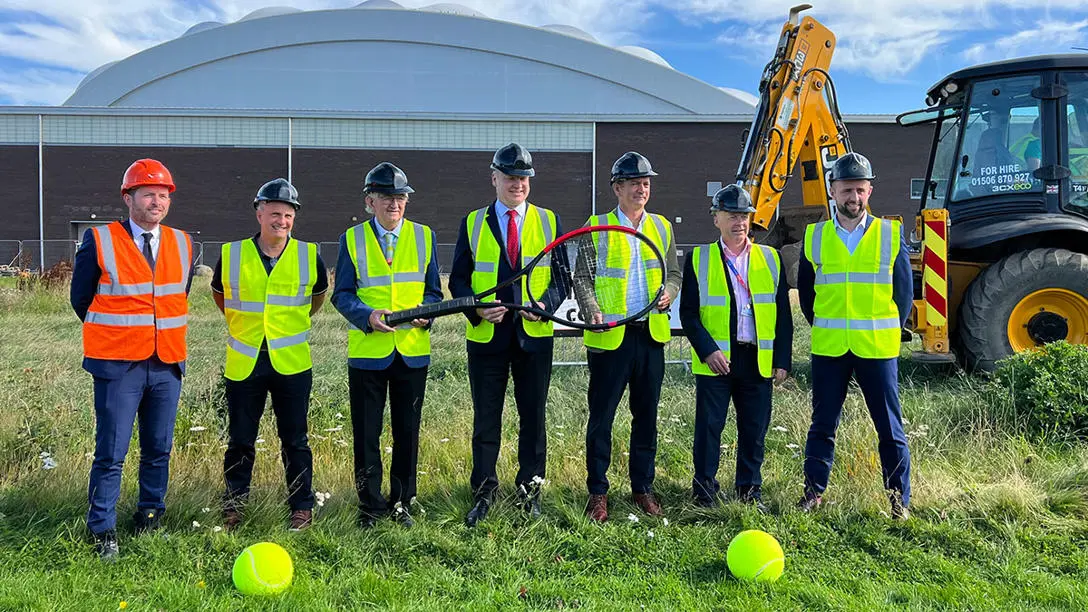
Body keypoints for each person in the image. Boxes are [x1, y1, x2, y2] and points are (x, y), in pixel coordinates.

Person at [70, 158, 194, 561]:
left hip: (166, 363)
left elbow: (175, 296)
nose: (157, 202)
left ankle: (150, 517)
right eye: (148, 194)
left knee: (158, 448)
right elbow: (81, 299)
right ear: (128, 197)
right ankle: (102, 530)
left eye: (163, 195)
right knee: (112, 451)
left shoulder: (182, 242)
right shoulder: (100, 239)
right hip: (118, 365)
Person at [448, 143, 570, 527]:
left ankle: (529, 491)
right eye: (510, 177)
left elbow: (562, 277)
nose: (517, 184)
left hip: (534, 337)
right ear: (494, 178)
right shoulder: (472, 222)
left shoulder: (549, 221)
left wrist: (544, 305)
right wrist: (478, 308)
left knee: (533, 418)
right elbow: (459, 280)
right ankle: (484, 492)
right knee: (487, 419)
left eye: (523, 178)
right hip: (487, 339)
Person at [796, 152, 914, 519]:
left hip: (877, 348)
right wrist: (826, 324)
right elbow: (806, 295)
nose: (854, 198)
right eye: (847, 190)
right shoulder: (814, 236)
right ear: (832, 191)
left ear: (870, 191)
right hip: (831, 347)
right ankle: (813, 494)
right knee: (822, 425)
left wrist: (886, 331)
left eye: (861, 190)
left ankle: (899, 501)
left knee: (889, 427)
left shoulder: (889, 235)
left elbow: (903, 296)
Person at [211, 178, 327, 531]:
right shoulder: (232, 253)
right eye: (275, 213)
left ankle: (301, 506)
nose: (282, 221)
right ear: (259, 213)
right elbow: (220, 297)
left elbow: (317, 300)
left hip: (291, 362)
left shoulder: (309, 254)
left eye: (288, 215)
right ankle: (234, 506)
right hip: (245, 360)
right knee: (240, 440)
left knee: (295, 440)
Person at [331, 162, 442, 529]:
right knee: (367, 433)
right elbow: (342, 295)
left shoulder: (425, 236)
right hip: (368, 353)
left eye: (400, 198)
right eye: (386, 198)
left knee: (407, 431)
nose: (394, 204)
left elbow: (433, 291)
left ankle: (403, 502)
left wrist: (428, 313)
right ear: (369, 201)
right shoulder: (352, 239)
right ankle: (370, 505)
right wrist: (366, 316)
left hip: (411, 351)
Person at [679, 184, 792, 512]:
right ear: (716, 219)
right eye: (731, 215)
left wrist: (782, 358)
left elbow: (783, 314)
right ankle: (704, 492)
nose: (739, 222)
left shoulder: (770, 259)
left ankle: (749, 490)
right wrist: (707, 350)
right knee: (709, 429)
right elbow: (688, 313)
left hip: (757, 358)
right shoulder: (699, 258)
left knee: (754, 429)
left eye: (743, 215)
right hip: (716, 360)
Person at [582, 152, 681, 522]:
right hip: (611, 339)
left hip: (650, 336)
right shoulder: (597, 225)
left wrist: (669, 291)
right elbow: (582, 278)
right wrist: (592, 308)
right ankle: (598, 492)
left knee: (646, 417)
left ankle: (643, 488)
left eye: (646, 183)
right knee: (602, 418)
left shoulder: (662, 227)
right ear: (617, 187)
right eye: (635, 183)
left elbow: (674, 272)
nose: (642, 189)